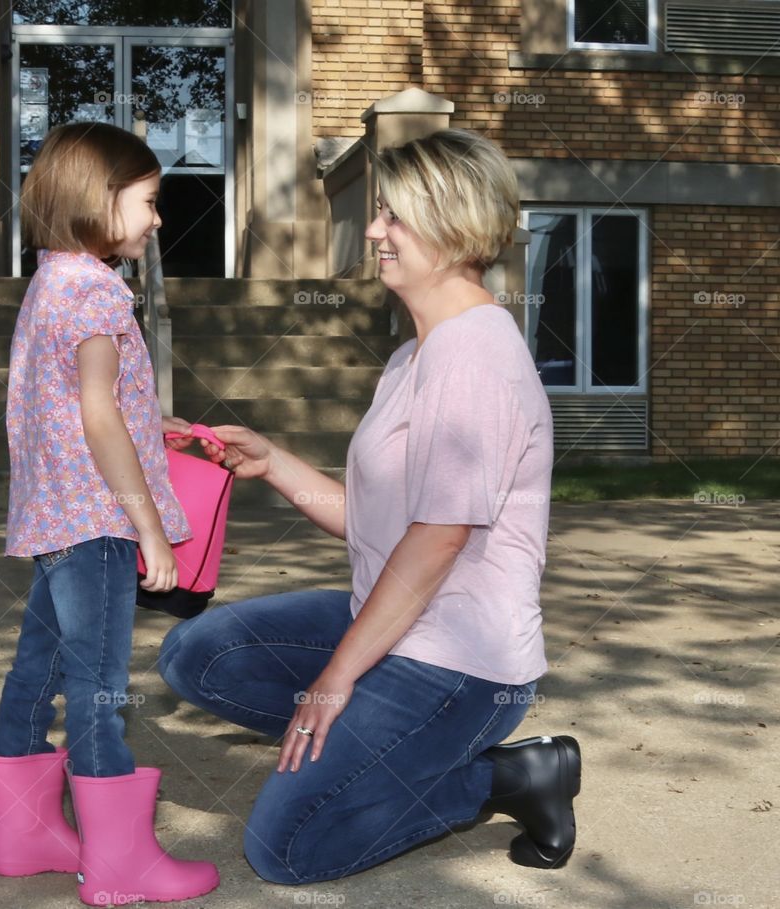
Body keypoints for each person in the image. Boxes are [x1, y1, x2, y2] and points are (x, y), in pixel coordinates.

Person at [158, 128, 581, 884]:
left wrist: (335, 678)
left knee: (286, 849)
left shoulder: (476, 355)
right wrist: (276, 462)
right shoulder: (415, 352)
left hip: (461, 666)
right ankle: (379, 755)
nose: (376, 231)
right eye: (379, 213)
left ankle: (507, 778)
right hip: (392, 627)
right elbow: (377, 521)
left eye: (395, 216)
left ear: (455, 223)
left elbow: (436, 539)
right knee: (199, 653)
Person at [0, 122, 219, 905]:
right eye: (149, 202)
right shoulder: (95, 288)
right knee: (99, 684)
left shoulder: (53, 277)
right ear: (99, 198)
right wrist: (148, 521)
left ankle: (25, 834)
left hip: (59, 517)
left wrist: (160, 428)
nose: (157, 220)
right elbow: (98, 413)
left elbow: (90, 400)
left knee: (39, 669)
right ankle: (119, 863)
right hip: (100, 521)